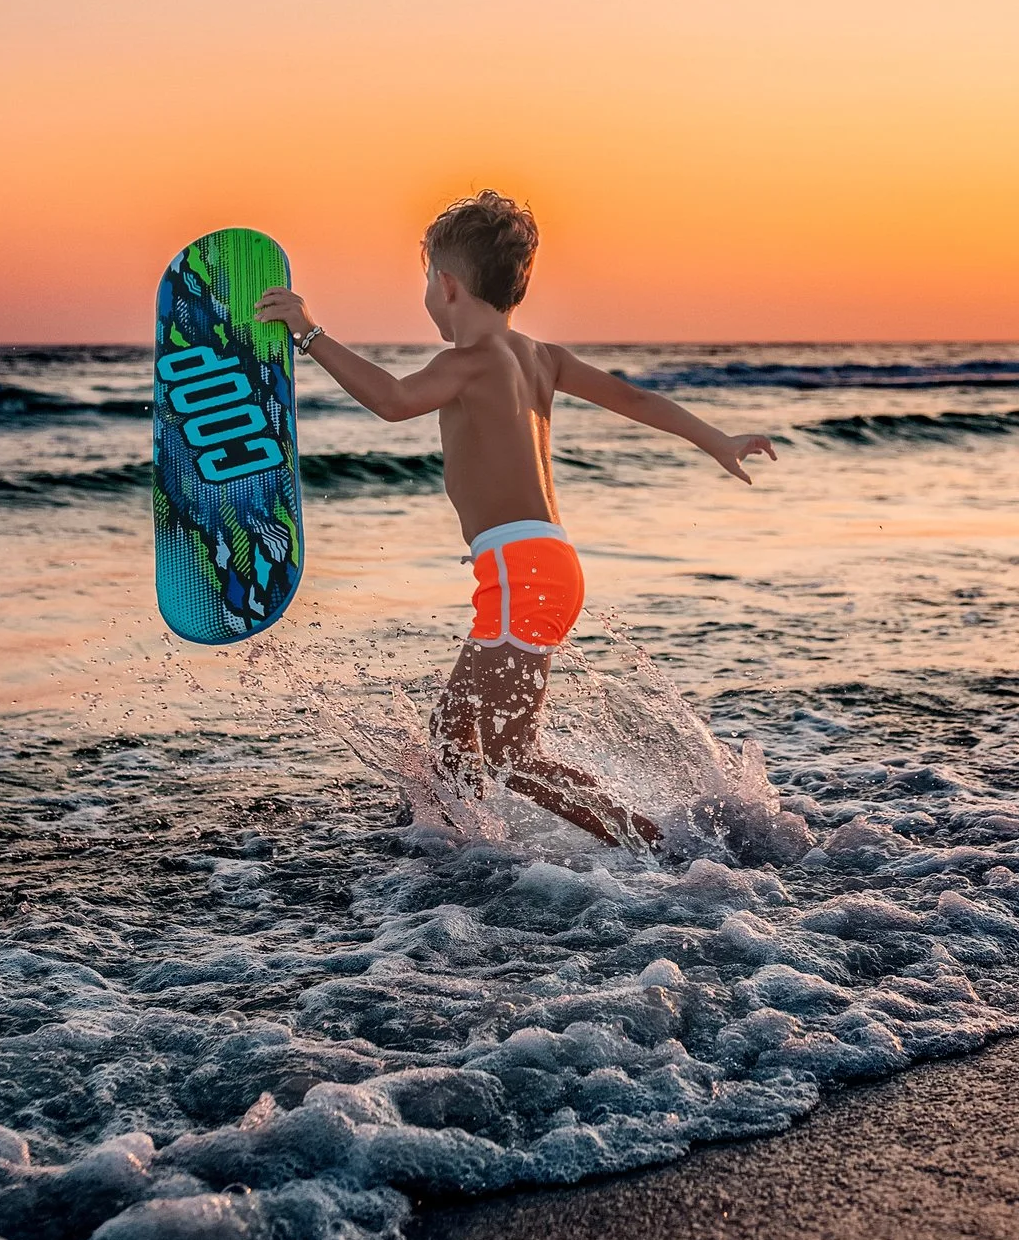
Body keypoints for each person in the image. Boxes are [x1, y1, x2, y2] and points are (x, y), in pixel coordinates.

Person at [255, 190, 775, 848]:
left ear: (446, 285)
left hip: (520, 571)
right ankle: (467, 848)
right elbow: (634, 397)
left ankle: (656, 846)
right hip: (545, 564)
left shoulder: (466, 363)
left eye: (425, 278)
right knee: (452, 735)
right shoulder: (540, 357)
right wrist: (718, 439)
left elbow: (390, 399)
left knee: (507, 752)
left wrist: (309, 332)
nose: (424, 292)